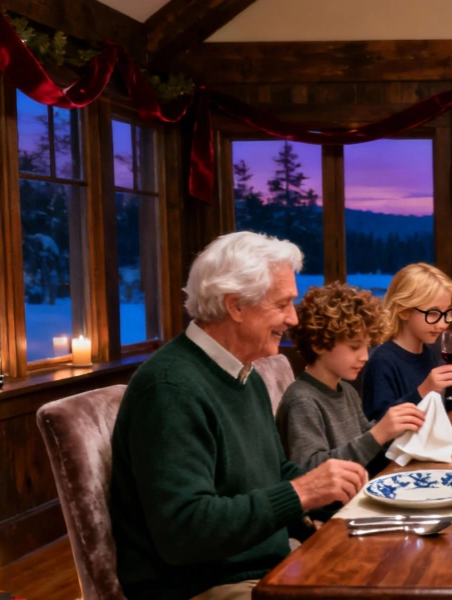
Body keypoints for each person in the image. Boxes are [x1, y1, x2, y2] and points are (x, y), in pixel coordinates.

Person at [110, 231, 368, 600]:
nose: (293, 318)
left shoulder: (245, 374)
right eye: (283, 304)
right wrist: (302, 493)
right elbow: (185, 532)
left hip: (268, 565)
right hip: (206, 586)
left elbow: (273, 472)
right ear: (235, 306)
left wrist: (343, 492)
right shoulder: (170, 388)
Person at [278, 282, 425, 513]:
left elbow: (367, 453)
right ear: (318, 344)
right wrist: (379, 433)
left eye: (367, 346)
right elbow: (310, 474)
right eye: (355, 347)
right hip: (331, 518)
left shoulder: (346, 390)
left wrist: (397, 431)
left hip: (357, 503)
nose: (365, 356)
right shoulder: (302, 400)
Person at [360, 263, 452, 421]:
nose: (443, 324)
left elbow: (436, 410)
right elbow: (378, 425)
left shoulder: (433, 352)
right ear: (404, 311)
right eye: (433, 313)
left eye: (448, 313)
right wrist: (424, 390)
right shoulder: (382, 360)